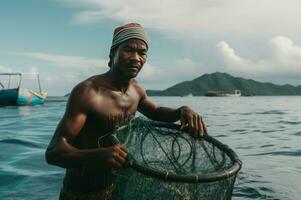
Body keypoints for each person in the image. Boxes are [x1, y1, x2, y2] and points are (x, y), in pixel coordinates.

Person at [45, 23, 207, 200]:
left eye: (142, 53)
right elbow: (54, 152)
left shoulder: (136, 91)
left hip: (116, 188)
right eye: (128, 50)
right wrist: (99, 155)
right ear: (112, 53)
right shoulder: (88, 93)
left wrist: (182, 110)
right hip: (80, 193)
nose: (136, 58)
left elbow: (157, 112)